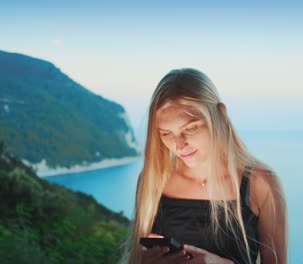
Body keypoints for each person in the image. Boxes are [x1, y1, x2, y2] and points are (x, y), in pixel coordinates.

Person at [120, 68, 287, 264]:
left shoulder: (261, 183)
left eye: (190, 128)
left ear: (220, 114)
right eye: (166, 133)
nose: (179, 145)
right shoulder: (154, 180)